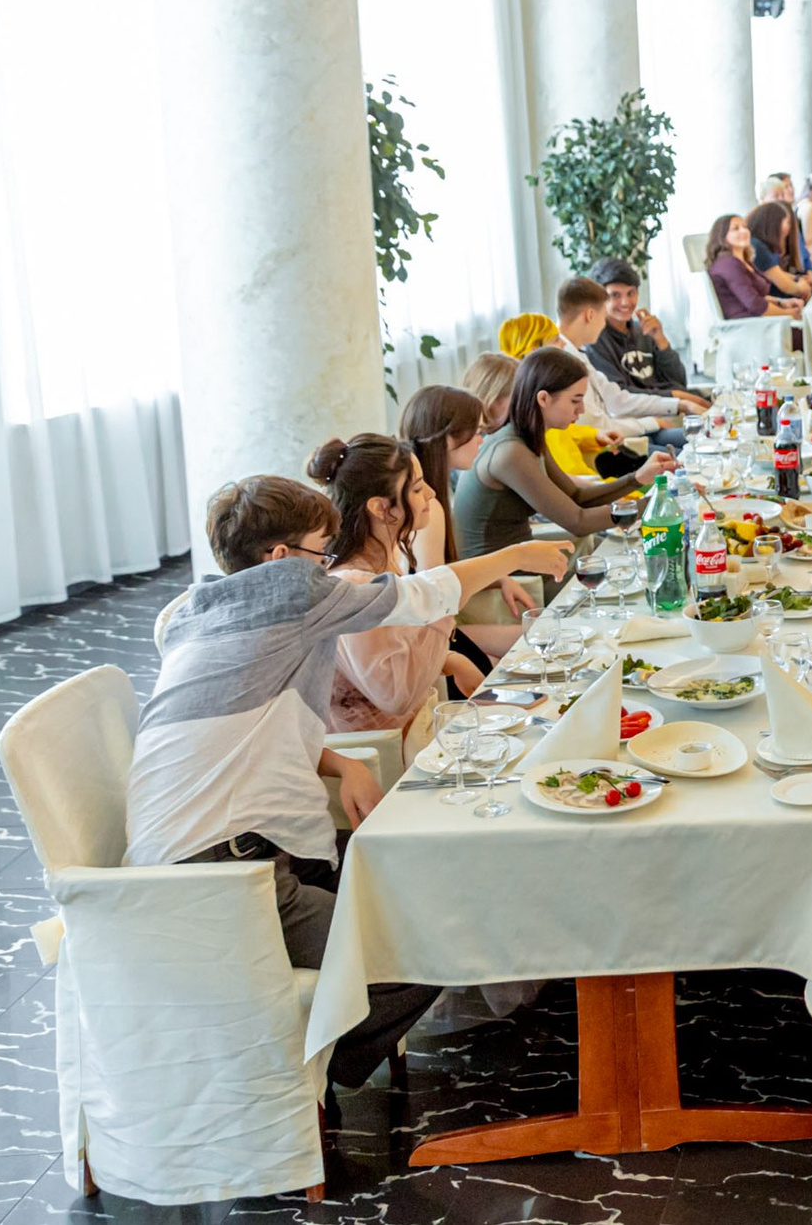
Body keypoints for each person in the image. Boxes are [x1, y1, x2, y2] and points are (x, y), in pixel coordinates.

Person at [127, 475, 570, 1094]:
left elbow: (243, 737)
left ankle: (319, 1037)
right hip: (220, 876)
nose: (329, 568)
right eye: (320, 552)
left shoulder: (200, 613)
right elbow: (422, 596)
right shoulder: (290, 593)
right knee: (425, 937)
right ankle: (300, 1063)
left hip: (195, 851)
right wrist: (520, 555)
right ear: (279, 559)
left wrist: (342, 763)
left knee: (406, 895)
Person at [307, 435, 484, 734]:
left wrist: (452, 661)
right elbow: (394, 695)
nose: (430, 494)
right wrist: (442, 600)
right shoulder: (354, 583)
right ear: (379, 508)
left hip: (417, 731)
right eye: (416, 488)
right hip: (383, 755)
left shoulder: (383, 560)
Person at [451, 346, 672, 558]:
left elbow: (577, 497)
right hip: (501, 584)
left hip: (523, 563)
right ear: (543, 399)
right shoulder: (510, 452)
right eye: (575, 400)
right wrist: (660, 503)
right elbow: (578, 521)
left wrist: (636, 478)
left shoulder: (528, 437)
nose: (582, 409)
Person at [399, 383, 532, 657]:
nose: (482, 441)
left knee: (535, 636)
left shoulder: (427, 491)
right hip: (425, 641)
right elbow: (437, 599)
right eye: (476, 433)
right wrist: (509, 562)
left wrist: (498, 578)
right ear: (448, 439)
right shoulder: (428, 505)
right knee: (538, 637)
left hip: (430, 630)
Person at [556, 277, 700, 449]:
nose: (603, 324)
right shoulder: (564, 362)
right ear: (590, 315)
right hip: (604, 447)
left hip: (625, 432)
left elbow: (618, 399)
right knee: (692, 452)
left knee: (701, 435)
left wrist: (678, 405)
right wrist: (651, 422)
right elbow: (598, 426)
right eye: (603, 316)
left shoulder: (576, 353)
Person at [472, 342, 623, 479]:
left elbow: (570, 432)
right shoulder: (504, 447)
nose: (523, 402)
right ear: (491, 400)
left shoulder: (535, 427)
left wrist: (595, 435)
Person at [586, 258, 709, 407]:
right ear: (599, 298)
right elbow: (619, 396)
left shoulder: (643, 330)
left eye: (631, 293)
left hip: (672, 407)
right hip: (643, 417)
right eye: (615, 295)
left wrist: (661, 340)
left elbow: (679, 381)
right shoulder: (595, 340)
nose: (625, 302)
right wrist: (674, 396)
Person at [708, 212, 800, 319]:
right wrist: (790, 314)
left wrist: (782, 302)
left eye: (745, 227)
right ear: (722, 236)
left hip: (758, 321)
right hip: (749, 326)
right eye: (736, 229)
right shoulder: (728, 264)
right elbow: (755, 304)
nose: (744, 231)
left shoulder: (744, 260)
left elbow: (758, 298)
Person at [746, 201, 812, 294]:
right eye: (787, 222)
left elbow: (779, 274)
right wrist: (803, 286)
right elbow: (787, 286)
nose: (789, 227)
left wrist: (799, 279)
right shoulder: (758, 247)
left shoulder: (760, 243)